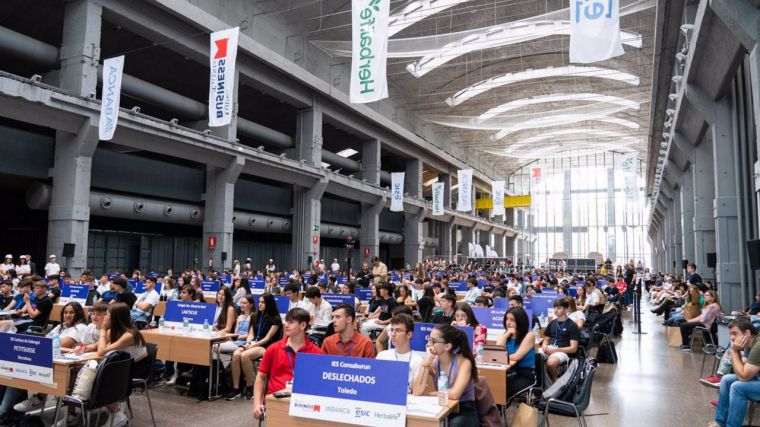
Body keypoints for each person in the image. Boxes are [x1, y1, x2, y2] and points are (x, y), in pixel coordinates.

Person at [252, 308, 322, 420]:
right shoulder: (273, 349)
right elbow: (260, 377)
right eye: (286, 321)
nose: (286, 325)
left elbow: (319, 382)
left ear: (303, 325)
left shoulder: (316, 353)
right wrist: (256, 403)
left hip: (305, 405)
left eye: (291, 322)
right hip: (276, 402)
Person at [412, 325, 479, 427]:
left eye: (433, 341)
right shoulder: (433, 362)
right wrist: (426, 361)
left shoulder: (464, 362)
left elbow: (455, 394)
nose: (429, 344)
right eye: (429, 340)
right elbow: (417, 391)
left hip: (463, 410)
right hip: (441, 407)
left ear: (447, 346)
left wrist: (430, 394)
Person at [97, 302, 147, 427]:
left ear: (115, 318)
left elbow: (101, 351)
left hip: (137, 369)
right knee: (94, 373)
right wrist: (83, 348)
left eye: (108, 315)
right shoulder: (114, 331)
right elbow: (99, 346)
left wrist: (103, 330)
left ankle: (117, 414)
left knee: (98, 379)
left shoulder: (130, 335)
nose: (106, 318)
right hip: (122, 365)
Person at [227, 294, 283, 400]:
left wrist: (253, 345)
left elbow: (267, 338)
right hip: (253, 343)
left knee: (245, 355)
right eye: (260, 302)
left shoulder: (275, 319)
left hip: (267, 346)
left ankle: (251, 387)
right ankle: (236, 388)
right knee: (236, 354)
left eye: (263, 302)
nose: (260, 304)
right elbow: (251, 333)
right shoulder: (255, 316)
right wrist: (248, 343)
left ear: (269, 304)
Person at [709, 319, 760, 427]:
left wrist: (734, 351)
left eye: (735, 333)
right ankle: (720, 422)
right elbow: (743, 368)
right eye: (730, 334)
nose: (731, 338)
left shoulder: (758, 345)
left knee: (738, 387)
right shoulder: (750, 343)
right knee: (726, 379)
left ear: (747, 333)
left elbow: (743, 376)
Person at [376, 313, 423, 392]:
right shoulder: (382, 356)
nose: (393, 334)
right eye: (392, 330)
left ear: (409, 334)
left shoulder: (418, 361)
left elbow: (416, 392)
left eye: (398, 330)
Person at [496, 306, 536, 399]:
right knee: (493, 386)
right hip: (507, 372)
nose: (508, 322)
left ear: (520, 321)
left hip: (525, 374)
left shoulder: (529, 335)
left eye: (512, 320)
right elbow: (497, 353)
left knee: (503, 390)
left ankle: (497, 412)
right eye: (506, 319)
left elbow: (516, 357)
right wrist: (506, 336)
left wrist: (501, 356)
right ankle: (496, 412)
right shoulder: (503, 335)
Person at [542, 298, 581, 381]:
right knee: (534, 359)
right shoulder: (552, 323)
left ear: (566, 309)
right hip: (549, 349)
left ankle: (555, 383)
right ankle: (542, 384)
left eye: (559, 308)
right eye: (555, 307)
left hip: (562, 352)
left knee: (550, 363)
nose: (556, 310)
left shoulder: (572, 325)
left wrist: (555, 350)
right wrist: (544, 347)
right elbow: (546, 340)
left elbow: (573, 349)